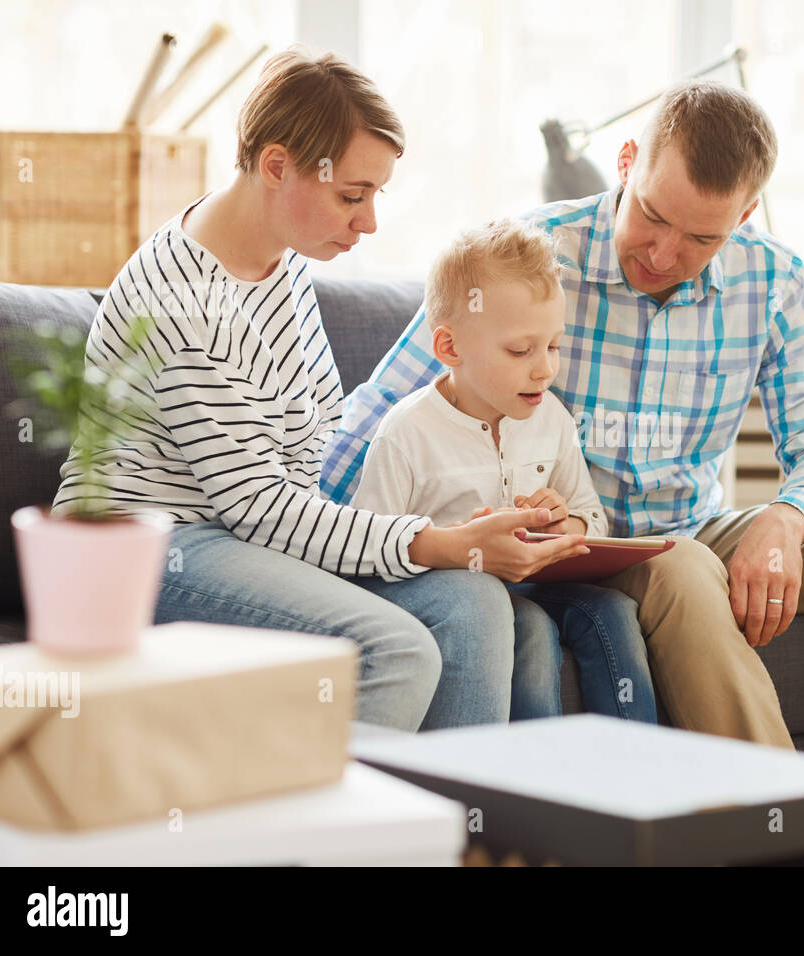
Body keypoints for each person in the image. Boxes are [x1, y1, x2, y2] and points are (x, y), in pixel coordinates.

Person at [323, 79, 804, 865]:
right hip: (594, 551)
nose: (664, 255)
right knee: (684, 565)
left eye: (701, 240)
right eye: (653, 216)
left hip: (698, 527)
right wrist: (308, 534)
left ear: (744, 218)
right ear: (625, 163)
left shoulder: (771, 281)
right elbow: (382, 411)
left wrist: (784, 522)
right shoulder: (527, 256)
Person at [51, 47, 590, 732]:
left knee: (474, 602)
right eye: (350, 195)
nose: (367, 222)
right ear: (276, 166)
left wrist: (438, 532)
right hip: (155, 546)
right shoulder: (182, 300)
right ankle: (335, 838)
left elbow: (312, 447)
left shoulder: (281, 264)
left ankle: (456, 831)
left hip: (250, 537)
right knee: (395, 650)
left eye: (374, 196)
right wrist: (428, 541)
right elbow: (256, 507)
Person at [351, 218, 656, 722]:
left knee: (615, 612)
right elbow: (367, 558)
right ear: (450, 348)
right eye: (520, 350)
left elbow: (591, 518)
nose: (545, 369)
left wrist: (567, 524)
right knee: (530, 627)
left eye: (554, 345)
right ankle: (523, 783)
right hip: (463, 594)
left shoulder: (551, 417)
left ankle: (631, 776)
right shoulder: (407, 432)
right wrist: (457, 546)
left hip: (539, 581)